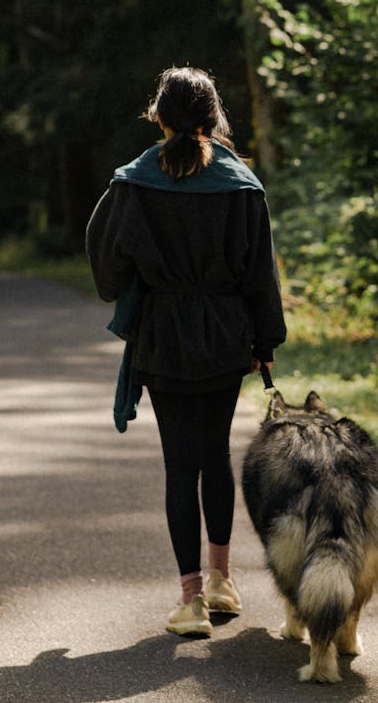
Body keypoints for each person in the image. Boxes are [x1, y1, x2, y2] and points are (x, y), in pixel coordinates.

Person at [86, 66, 287, 637]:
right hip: (227, 332)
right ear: (211, 116)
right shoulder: (240, 180)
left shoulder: (134, 180)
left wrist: (141, 284)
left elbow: (106, 264)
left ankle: (191, 600)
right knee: (215, 454)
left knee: (180, 464)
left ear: (159, 115)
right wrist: (265, 341)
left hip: (163, 333)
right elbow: (259, 272)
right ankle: (225, 583)